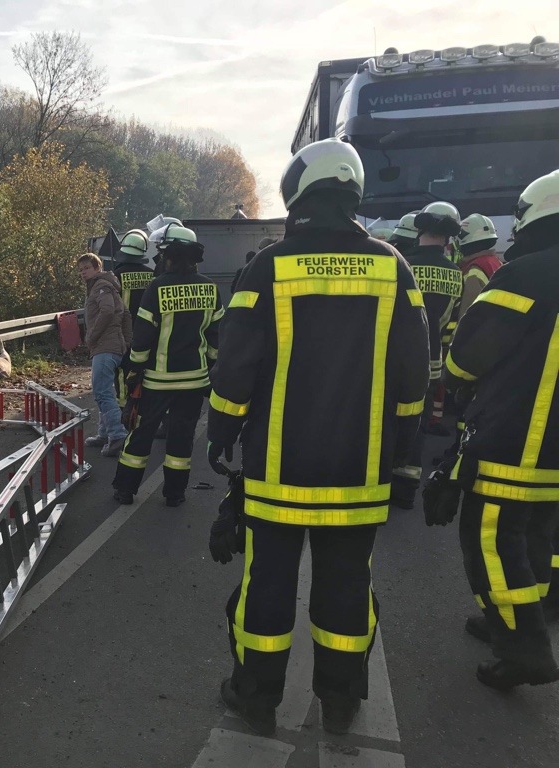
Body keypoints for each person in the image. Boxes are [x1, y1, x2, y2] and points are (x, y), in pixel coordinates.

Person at [206, 138, 429, 736]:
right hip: (360, 473)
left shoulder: (268, 266)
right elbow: (413, 369)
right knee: (347, 589)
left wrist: (221, 430)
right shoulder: (393, 267)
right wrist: (402, 442)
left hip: (278, 471)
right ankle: (340, 701)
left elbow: (236, 366)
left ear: (300, 189)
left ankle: (255, 699)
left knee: (267, 590)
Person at [440, 170, 559, 689]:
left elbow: (465, 361)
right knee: (538, 537)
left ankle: (523, 646)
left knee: (491, 539)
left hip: (516, 442)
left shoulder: (524, 276)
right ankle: (520, 621)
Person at [112, 224, 222, 507]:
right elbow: (216, 336)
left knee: (141, 434)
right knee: (182, 438)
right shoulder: (210, 287)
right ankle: (175, 493)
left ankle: (126, 490)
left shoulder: (157, 287)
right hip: (195, 382)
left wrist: (134, 371)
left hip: (157, 381)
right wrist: (210, 367)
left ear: (169, 257)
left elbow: (143, 337)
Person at [390, 201, 463, 508]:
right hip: (432, 365)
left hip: (392, 361)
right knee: (416, 425)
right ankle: (406, 490)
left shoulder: (401, 265)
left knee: (386, 420)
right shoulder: (456, 273)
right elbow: (452, 326)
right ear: (450, 239)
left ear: (419, 229)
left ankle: (380, 483)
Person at [78, 252, 130, 457]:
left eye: (87, 268)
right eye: (81, 270)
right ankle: (104, 433)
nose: (83, 273)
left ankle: (117, 435)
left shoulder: (101, 287)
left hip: (105, 347)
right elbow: (125, 314)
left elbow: (108, 311)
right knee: (104, 391)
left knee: (102, 392)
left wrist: (91, 337)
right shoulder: (105, 286)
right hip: (112, 346)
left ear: (97, 267)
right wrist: (126, 342)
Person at [111, 229, 156, 408]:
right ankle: (142, 407)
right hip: (148, 332)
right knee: (143, 371)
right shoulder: (152, 275)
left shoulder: (117, 275)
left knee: (122, 370)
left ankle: (123, 408)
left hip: (123, 333)